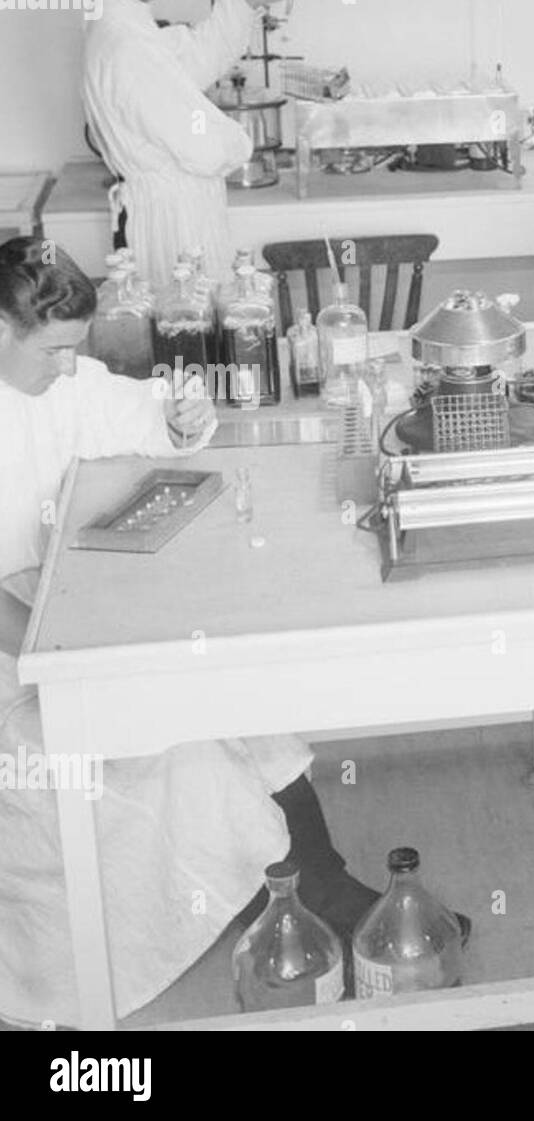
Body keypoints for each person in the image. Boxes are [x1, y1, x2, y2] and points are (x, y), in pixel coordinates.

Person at [0, 238, 376, 1027]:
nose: (70, 366)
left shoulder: (55, 384)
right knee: (190, 757)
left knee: (239, 703)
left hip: (58, 618)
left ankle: (328, 893)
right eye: (57, 350)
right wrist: (60, 656)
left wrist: (177, 416)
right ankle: (293, 917)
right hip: (17, 666)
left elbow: (129, 405)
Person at [82, 0, 277, 291]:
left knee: (190, 319)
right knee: (184, 319)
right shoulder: (127, 42)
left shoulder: (124, 26)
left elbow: (195, 57)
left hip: (171, 211)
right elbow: (204, 149)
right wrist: (239, 141)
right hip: (172, 222)